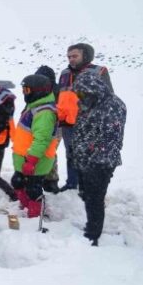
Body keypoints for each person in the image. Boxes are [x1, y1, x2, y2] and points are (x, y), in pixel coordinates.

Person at [71, 72, 126, 246]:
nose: (80, 97)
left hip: (101, 162)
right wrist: (76, 152)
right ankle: (91, 225)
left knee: (95, 197)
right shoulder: (87, 103)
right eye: (78, 94)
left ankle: (93, 234)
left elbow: (110, 139)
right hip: (84, 158)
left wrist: (94, 162)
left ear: (94, 89)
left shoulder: (113, 105)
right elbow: (81, 129)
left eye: (83, 93)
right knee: (87, 194)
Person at [57, 43, 113, 191]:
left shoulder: (98, 72)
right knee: (71, 154)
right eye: (69, 56)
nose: (71, 59)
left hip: (88, 124)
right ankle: (72, 184)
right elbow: (60, 97)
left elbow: (108, 98)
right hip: (67, 123)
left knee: (88, 155)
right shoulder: (64, 73)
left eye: (75, 56)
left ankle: (87, 187)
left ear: (86, 55)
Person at [10, 74, 59, 222]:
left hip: (37, 159)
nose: (24, 93)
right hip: (24, 157)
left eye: (27, 90)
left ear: (38, 91)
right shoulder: (34, 106)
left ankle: (35, 214)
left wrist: (31, 160)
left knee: (33, 188)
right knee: (17, 181)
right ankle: (26, 206)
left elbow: (42, 140)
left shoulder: (44, 112)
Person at [35, 65, 61, 194]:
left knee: (48, 151)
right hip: (39, 125)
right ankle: (44, 179)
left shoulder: (56, 91)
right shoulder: (38, 90)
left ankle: (51, 181)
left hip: (55, 126)